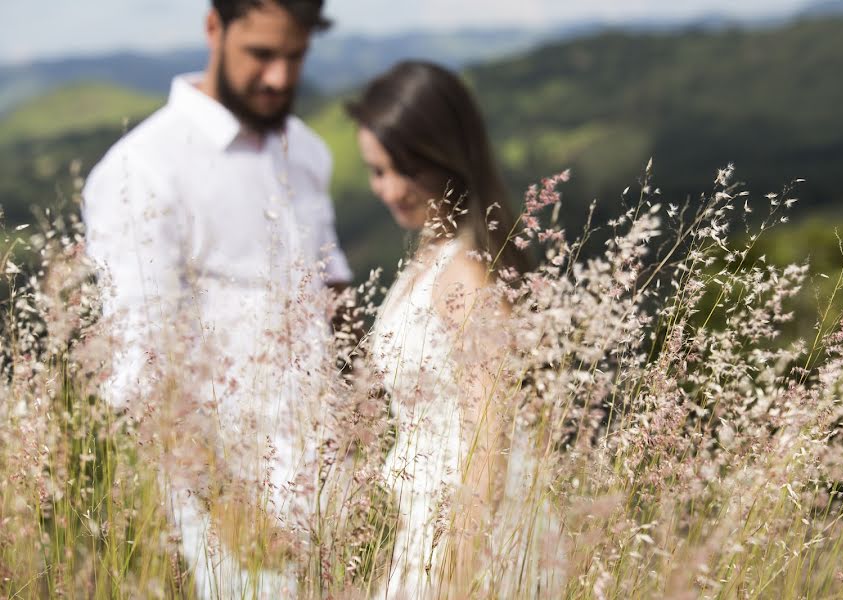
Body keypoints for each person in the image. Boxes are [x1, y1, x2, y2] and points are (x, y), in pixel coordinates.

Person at [82, 1, 350, 597]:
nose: (280, 77)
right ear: (213, 28)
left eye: (295, 56)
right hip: (229, 508)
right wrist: (238, 518)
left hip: (337, 485)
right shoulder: (141, 170)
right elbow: (144, 372)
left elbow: (334, 290)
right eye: (261, 54)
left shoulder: (306, 149)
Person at [346, 61, 551, 598]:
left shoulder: (466, 272)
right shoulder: (433, 253)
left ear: (447, 156)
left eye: (403, 169)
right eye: (376, 170)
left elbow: (490, 440)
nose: (389, 190)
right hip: (426, 526)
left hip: (464, 538)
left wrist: (457, 572)